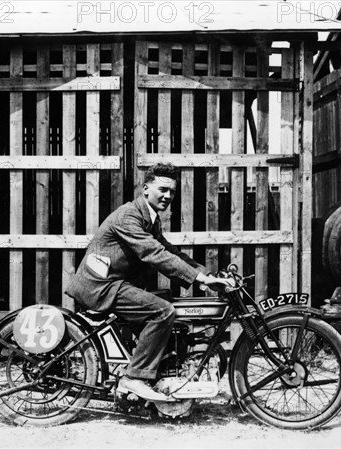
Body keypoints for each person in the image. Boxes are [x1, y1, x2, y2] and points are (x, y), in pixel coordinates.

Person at [65, 163, 227, 402]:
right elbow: (153, 253)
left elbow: (170, 251)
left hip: (114, 283)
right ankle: (135, 377)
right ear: (146, 188)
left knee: (165, 298)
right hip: (100, 287)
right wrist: (198, 278)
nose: (168, 196)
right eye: (162, 189)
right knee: (162, 311)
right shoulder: (128, 216)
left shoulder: (149, 218)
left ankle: (160, 365)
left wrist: (206, 275)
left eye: (172, 191)